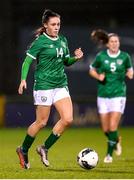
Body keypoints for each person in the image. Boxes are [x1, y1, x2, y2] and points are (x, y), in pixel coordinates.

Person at [16, 9, 83, 169]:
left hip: (60, 85)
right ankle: (23, 149)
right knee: (41, 122)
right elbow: (27, 62)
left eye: (58, 24)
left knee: (68, 119)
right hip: (44, 86)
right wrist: (23, 79)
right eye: (53, 24)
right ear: (45, 25)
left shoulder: (63, 40)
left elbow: (66, 61)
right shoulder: (40, 42)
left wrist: (75, 58)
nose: (56, 27)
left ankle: (44, 148)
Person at [89, 29, 134, 163]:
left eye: (116, 41)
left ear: (119, 43)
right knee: (105, 129)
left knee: (113, 126)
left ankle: (109, 155)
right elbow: (91, 69)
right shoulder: (101, 56)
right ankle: (116, 139)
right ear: (107, 44)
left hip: (118, 95)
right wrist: (98, 76)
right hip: (103, 95)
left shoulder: (125, 56)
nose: (114, 43)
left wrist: (129, 74)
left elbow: (130, 71)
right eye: (112, 41)